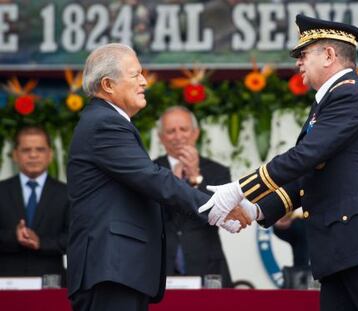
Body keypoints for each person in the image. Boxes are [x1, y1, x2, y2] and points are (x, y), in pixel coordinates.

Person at [200, 15, 358, 310]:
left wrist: (238, 189)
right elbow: (311, 174)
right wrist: (257, 208)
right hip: (342, 250)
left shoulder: (350, 94)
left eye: (303, 54)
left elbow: (304, 157)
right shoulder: (331, 101)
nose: (298, 62)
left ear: (328, 55)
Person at [66, 43, 249, 311]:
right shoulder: (105, 123)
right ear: (108, 84)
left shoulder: (105, 121)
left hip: (119, 270)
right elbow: (153, 178)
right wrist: (216, 207)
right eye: (135, 75)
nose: (144, 82)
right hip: (111, 270)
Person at [155, 106, 232, 287]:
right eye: (171, 131)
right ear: (161, 138)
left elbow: (220, 216)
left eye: (183, 129)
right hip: (160, 267)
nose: (178, 136)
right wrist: (172, 184)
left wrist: (195, 178)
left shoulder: (218, 171)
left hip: (208, 266)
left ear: (195, 133)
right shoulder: (151, 171)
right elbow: (149, 217)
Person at [0, 126, 69, 283]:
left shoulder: (67, 194)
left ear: (50, 154)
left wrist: (41, 242)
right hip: (6, 281)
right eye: (26, 150)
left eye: (40, 149)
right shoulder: (1, 191)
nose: (33, 155)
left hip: (51, 280)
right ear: (15, 155)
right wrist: (14, 236)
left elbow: (75, 238)